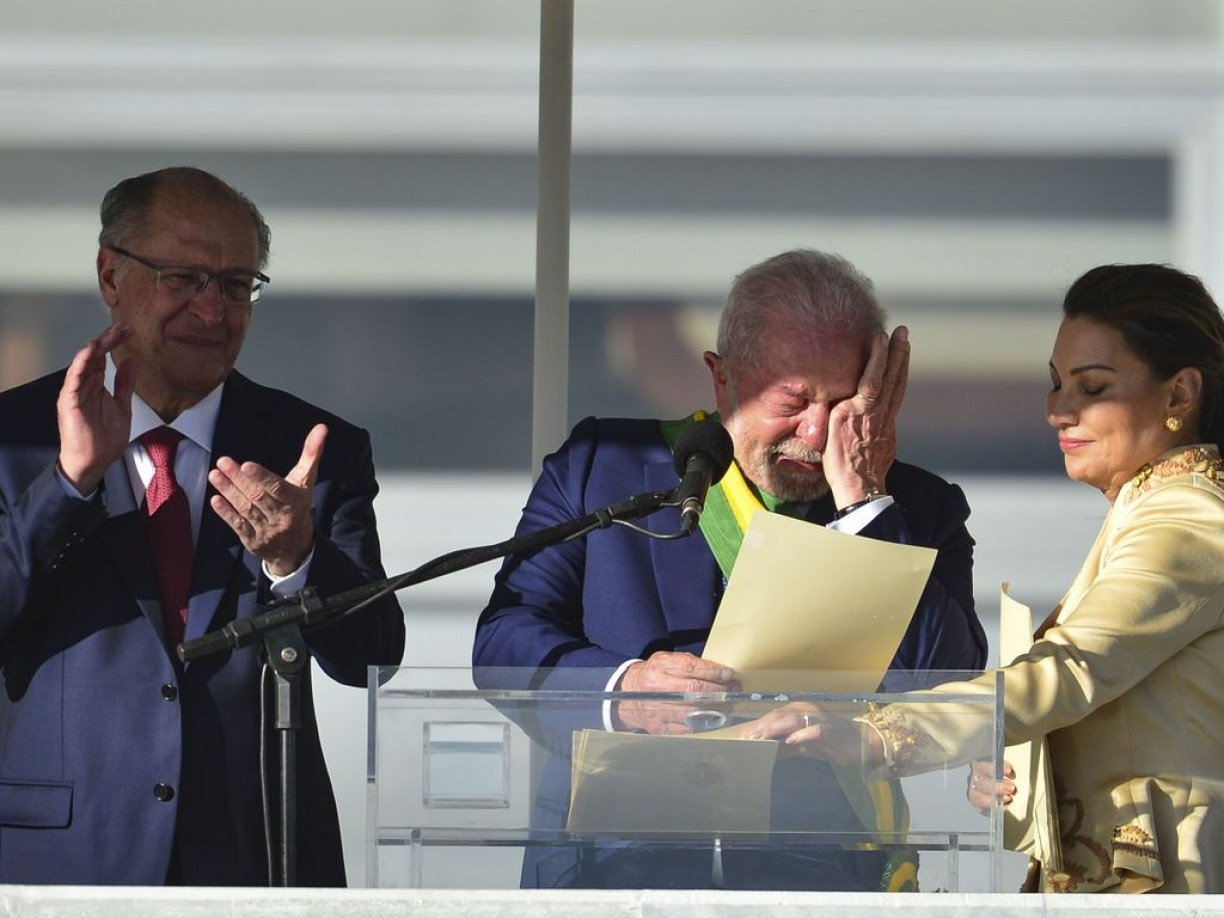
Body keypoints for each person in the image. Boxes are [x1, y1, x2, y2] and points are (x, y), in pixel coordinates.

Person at [472, 249, 987, 889]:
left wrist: (865, 501)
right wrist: (621, 691)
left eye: (848, 402)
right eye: (794, 399)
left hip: (824, 874)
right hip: (610, 866)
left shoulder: (918, 508)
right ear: (723, 379)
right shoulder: (603, 466)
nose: (819, 431)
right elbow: (503, 641)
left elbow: (945, 686)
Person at [747, 263, 1224, 894]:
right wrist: (1018, 760)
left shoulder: (1189, 514)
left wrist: (875, 733)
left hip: (1166, 887)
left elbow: (1073, 668)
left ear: (1180, 395)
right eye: (1057, 385)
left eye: (1093, 387)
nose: (1059, 410)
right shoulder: (1152, 509)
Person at [0, 167, 405, 885]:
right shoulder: (14, 437)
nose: (212, 310)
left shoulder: (312, 448)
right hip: (66, 854)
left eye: (237, 284)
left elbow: (371, 653)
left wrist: (297, 558)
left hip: (258, 854)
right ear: (109, 274)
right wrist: (68, 485)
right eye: (183, 278)